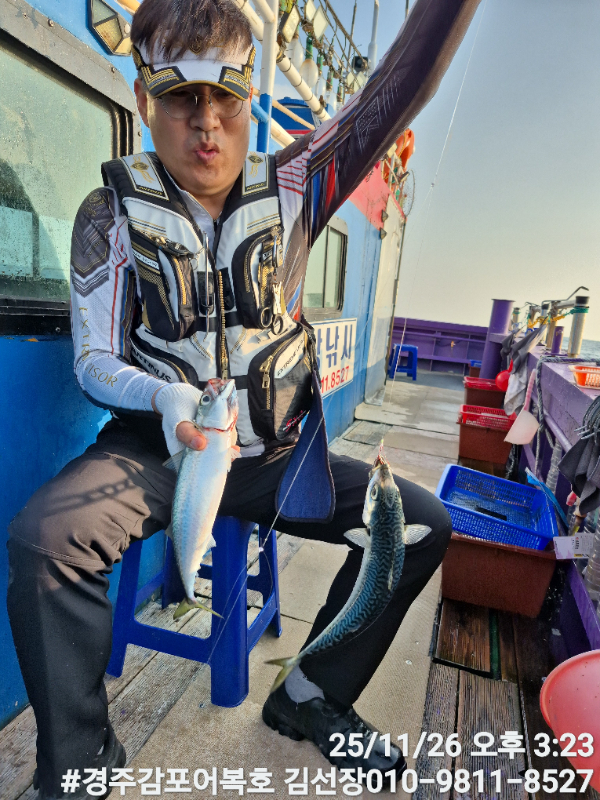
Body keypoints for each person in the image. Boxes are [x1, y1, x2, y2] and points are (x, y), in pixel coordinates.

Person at [6, 0, 480, 797]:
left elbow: (397, 89)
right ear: (143, 97)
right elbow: (92, 361)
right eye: (181, 97)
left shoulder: (296, 185)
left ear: (249, 95)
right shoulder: (108, 213)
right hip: (161, 450)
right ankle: (81, 769)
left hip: (277, 456)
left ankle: (312, 693)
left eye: (225, 96)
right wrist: (165, 398)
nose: (207, 123)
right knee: (47, 539)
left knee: (420, 525)